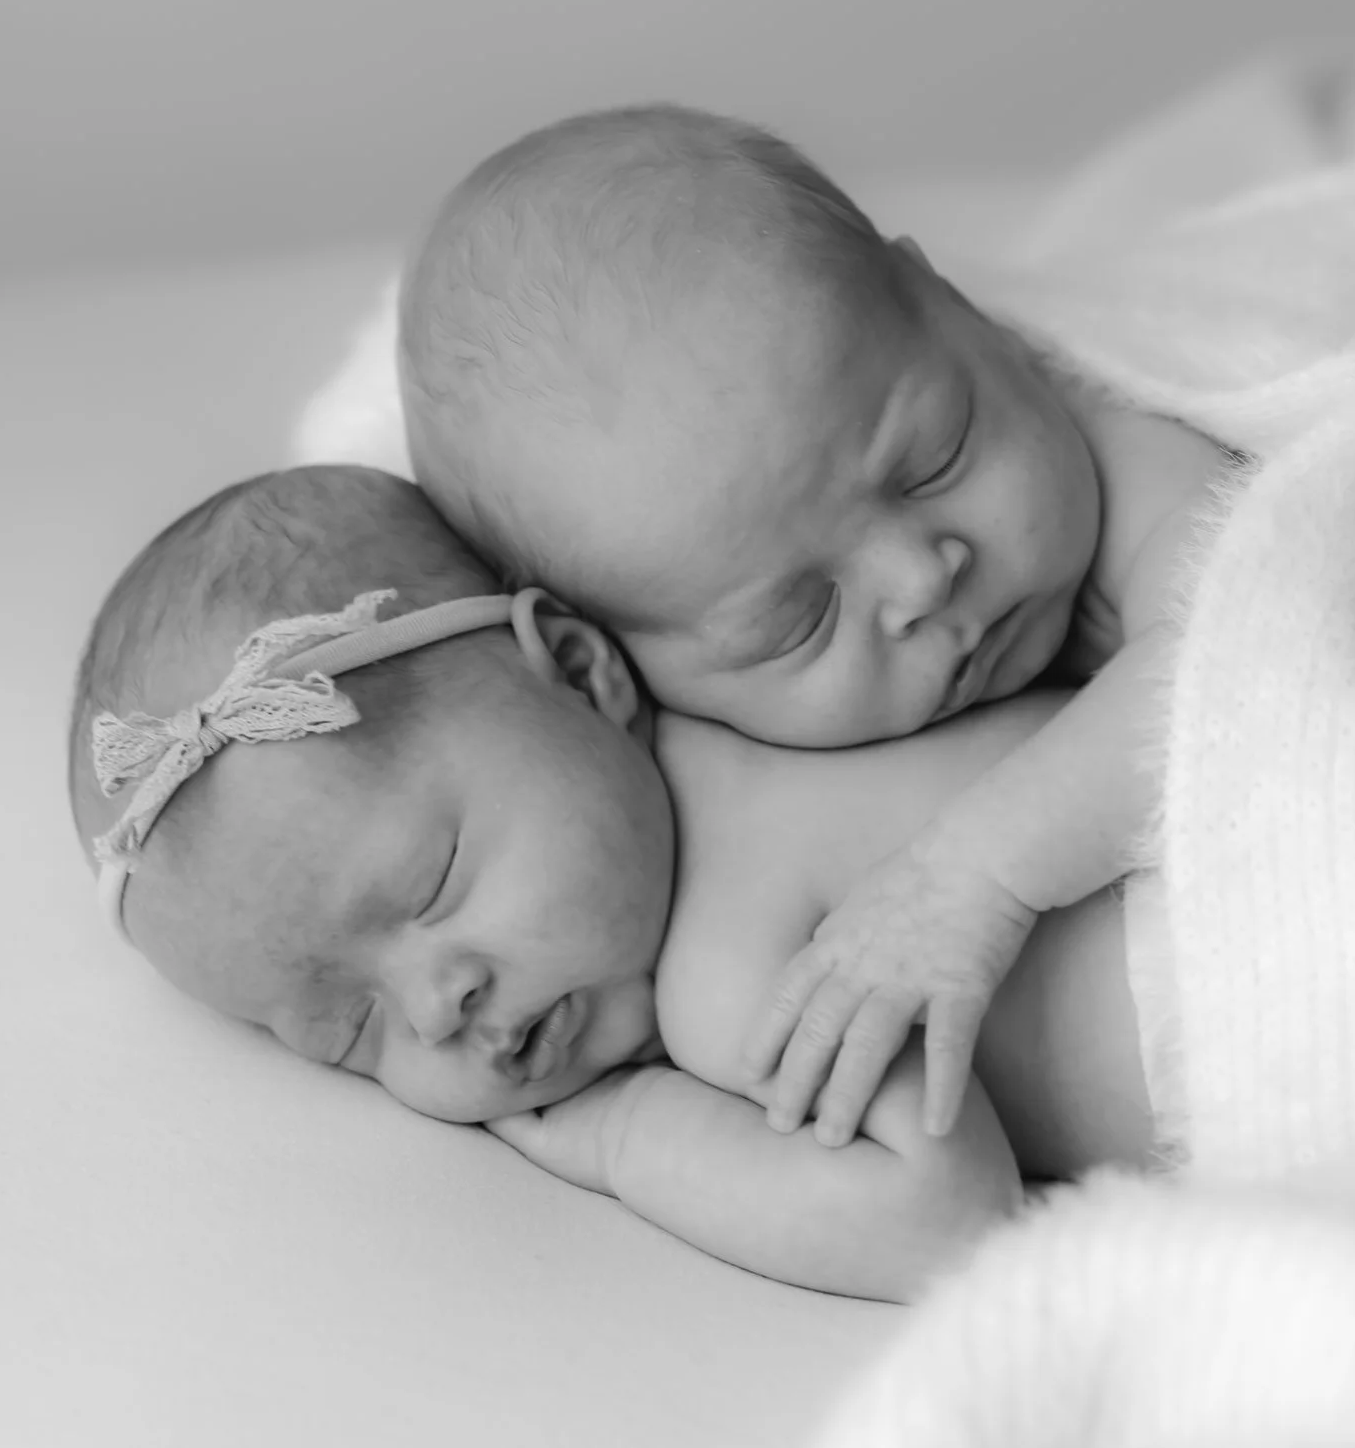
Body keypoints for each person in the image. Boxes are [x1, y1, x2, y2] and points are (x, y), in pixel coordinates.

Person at [67, 465, 1157, 1303]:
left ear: (585, 673)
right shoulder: (779, 701)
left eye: (433, 882)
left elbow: (945, 1213)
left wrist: (628, 1135)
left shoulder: (727, 965)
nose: (434, 1004)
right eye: (348, 1027)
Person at [399, 104, 1234, 1149]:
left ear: (952, 305)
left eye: (934, 457)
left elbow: (1240, 666)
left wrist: (976, 875)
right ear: (616, 668)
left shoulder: (1133, 466)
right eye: (800, 617)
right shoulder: (721, 819)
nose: (920, 579)